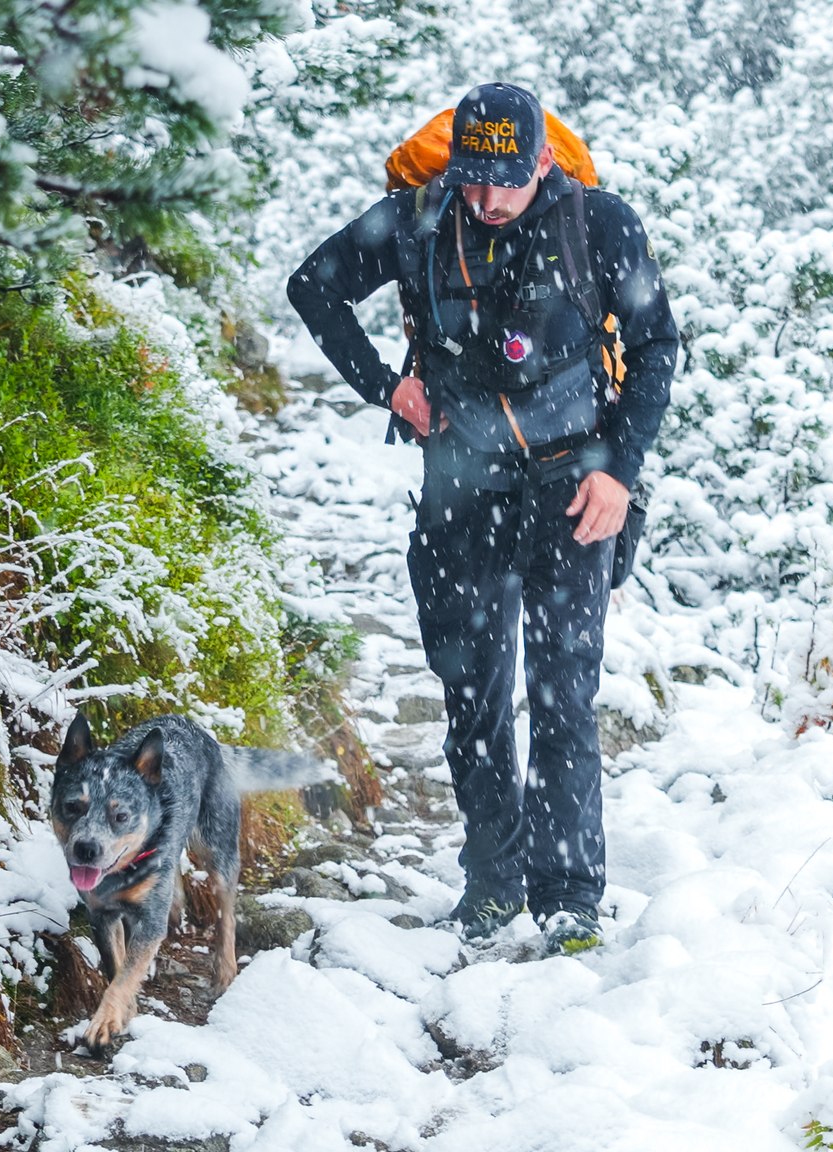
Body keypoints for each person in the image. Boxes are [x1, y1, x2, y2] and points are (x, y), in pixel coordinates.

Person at [287, 83, 678, 954]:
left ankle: (570, 896)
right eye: (473, 178)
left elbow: (655, 346)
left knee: (564, 696)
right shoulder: (422, 217)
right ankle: (493, 881)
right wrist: (386, 384)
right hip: (458, 488)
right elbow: (313, 285)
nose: (488, 199)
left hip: (573, 490)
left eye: (505, 179)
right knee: (472, 695)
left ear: (542, 161)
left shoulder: (600, 224)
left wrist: (620, 470)